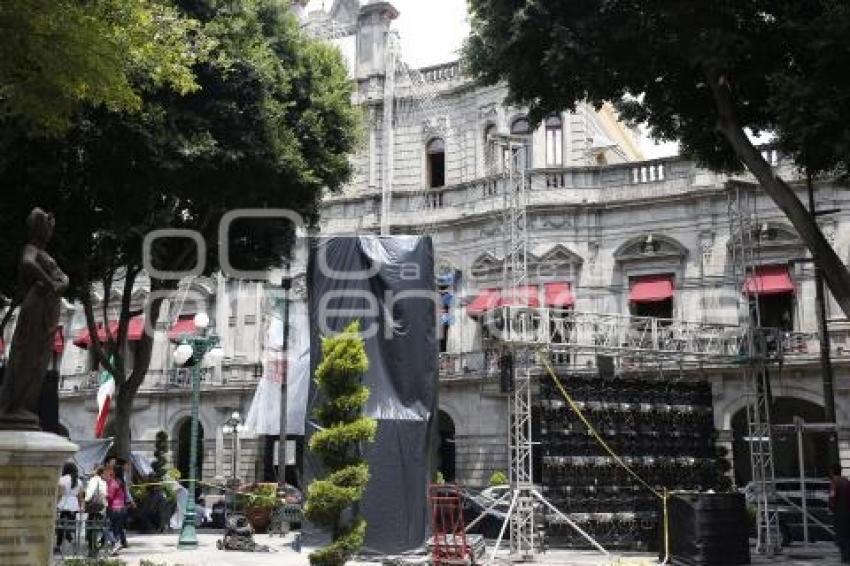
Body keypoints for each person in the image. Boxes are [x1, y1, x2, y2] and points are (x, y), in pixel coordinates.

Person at [84, 465, 116, 557]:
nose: (106, 475)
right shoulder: (103, 482)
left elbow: (89, 493)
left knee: (90, 529)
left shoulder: (94, 480)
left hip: (93, 508)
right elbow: (105, 494)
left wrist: (86, 501)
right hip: (101, 508)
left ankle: (92, 549)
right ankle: (97, 547)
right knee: (99, 528)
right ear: (101, 473)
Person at [55, 462, 81, 553]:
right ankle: (70, 539)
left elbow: (60, 494)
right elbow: (80, 496)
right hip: (74, 505)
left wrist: (56, 504)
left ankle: (59, 545)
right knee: (70, 526)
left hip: (64, 504)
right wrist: (81, 506)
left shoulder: (62, 480)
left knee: (61, 526)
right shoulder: (79, 481)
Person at [107, 463, 132, 550]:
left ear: (115, 472)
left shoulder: (114, 483)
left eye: (112, 470)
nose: (111, 472)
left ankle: (115, 543)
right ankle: (118, 543)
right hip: (122, 508)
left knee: (109, 528)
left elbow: (110, 496)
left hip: (114, 508)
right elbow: (125, 496)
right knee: (118, 528)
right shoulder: (122, 483)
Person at [830, 463, 850, 563]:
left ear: (832, 471)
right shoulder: (846, 480)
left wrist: (831, 508)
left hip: (839, 513)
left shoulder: (834, 482)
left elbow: (832, 497)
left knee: (841, 536)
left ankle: (845, 558)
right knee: (847, 535)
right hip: (848, 512)